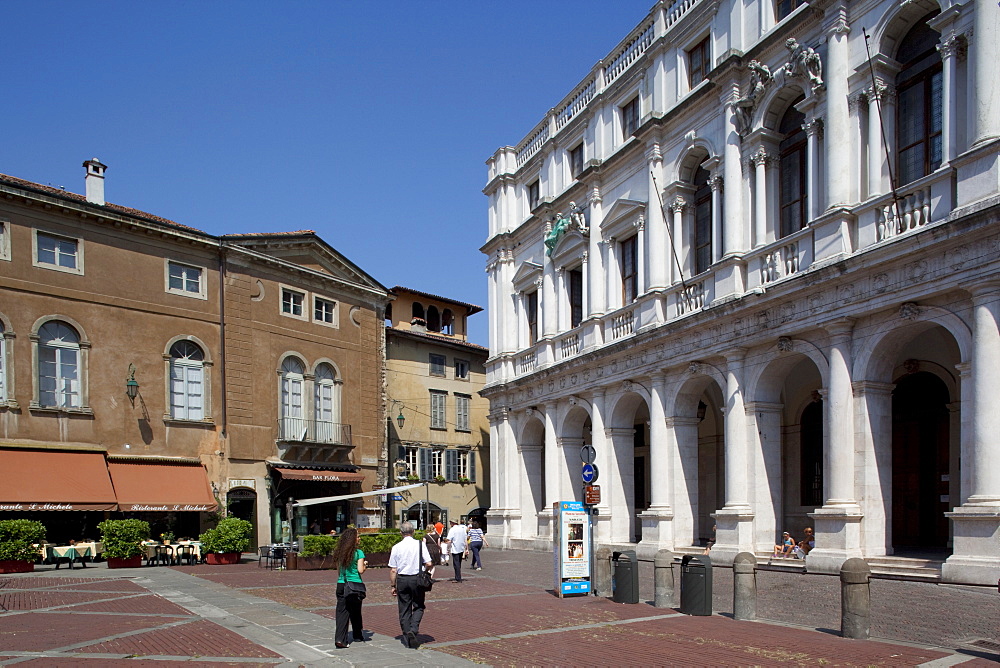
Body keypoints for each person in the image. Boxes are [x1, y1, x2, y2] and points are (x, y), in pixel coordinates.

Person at [388, 521, 432, 649]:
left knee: (404, 608)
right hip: (416, 578)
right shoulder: (420, 544)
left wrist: (392, 585)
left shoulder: (396, 547)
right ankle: (413, 628)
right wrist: (425, 571)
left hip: (402, 579)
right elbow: (429, 563)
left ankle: (407, 636)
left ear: (401, 533)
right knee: (418, 606)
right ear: (413, 532)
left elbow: (393, 569)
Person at [332, 527, 367, 648]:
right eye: (357, 536)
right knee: (356, 610)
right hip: (354, 584)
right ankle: (357, 634)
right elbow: (360, 570)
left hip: (341, 583)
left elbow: (338, 570)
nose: (359, 538)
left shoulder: (339, 553)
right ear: (353, 539)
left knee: (342, 611)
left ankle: (340, 639)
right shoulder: (358, 553)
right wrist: (365, 565)